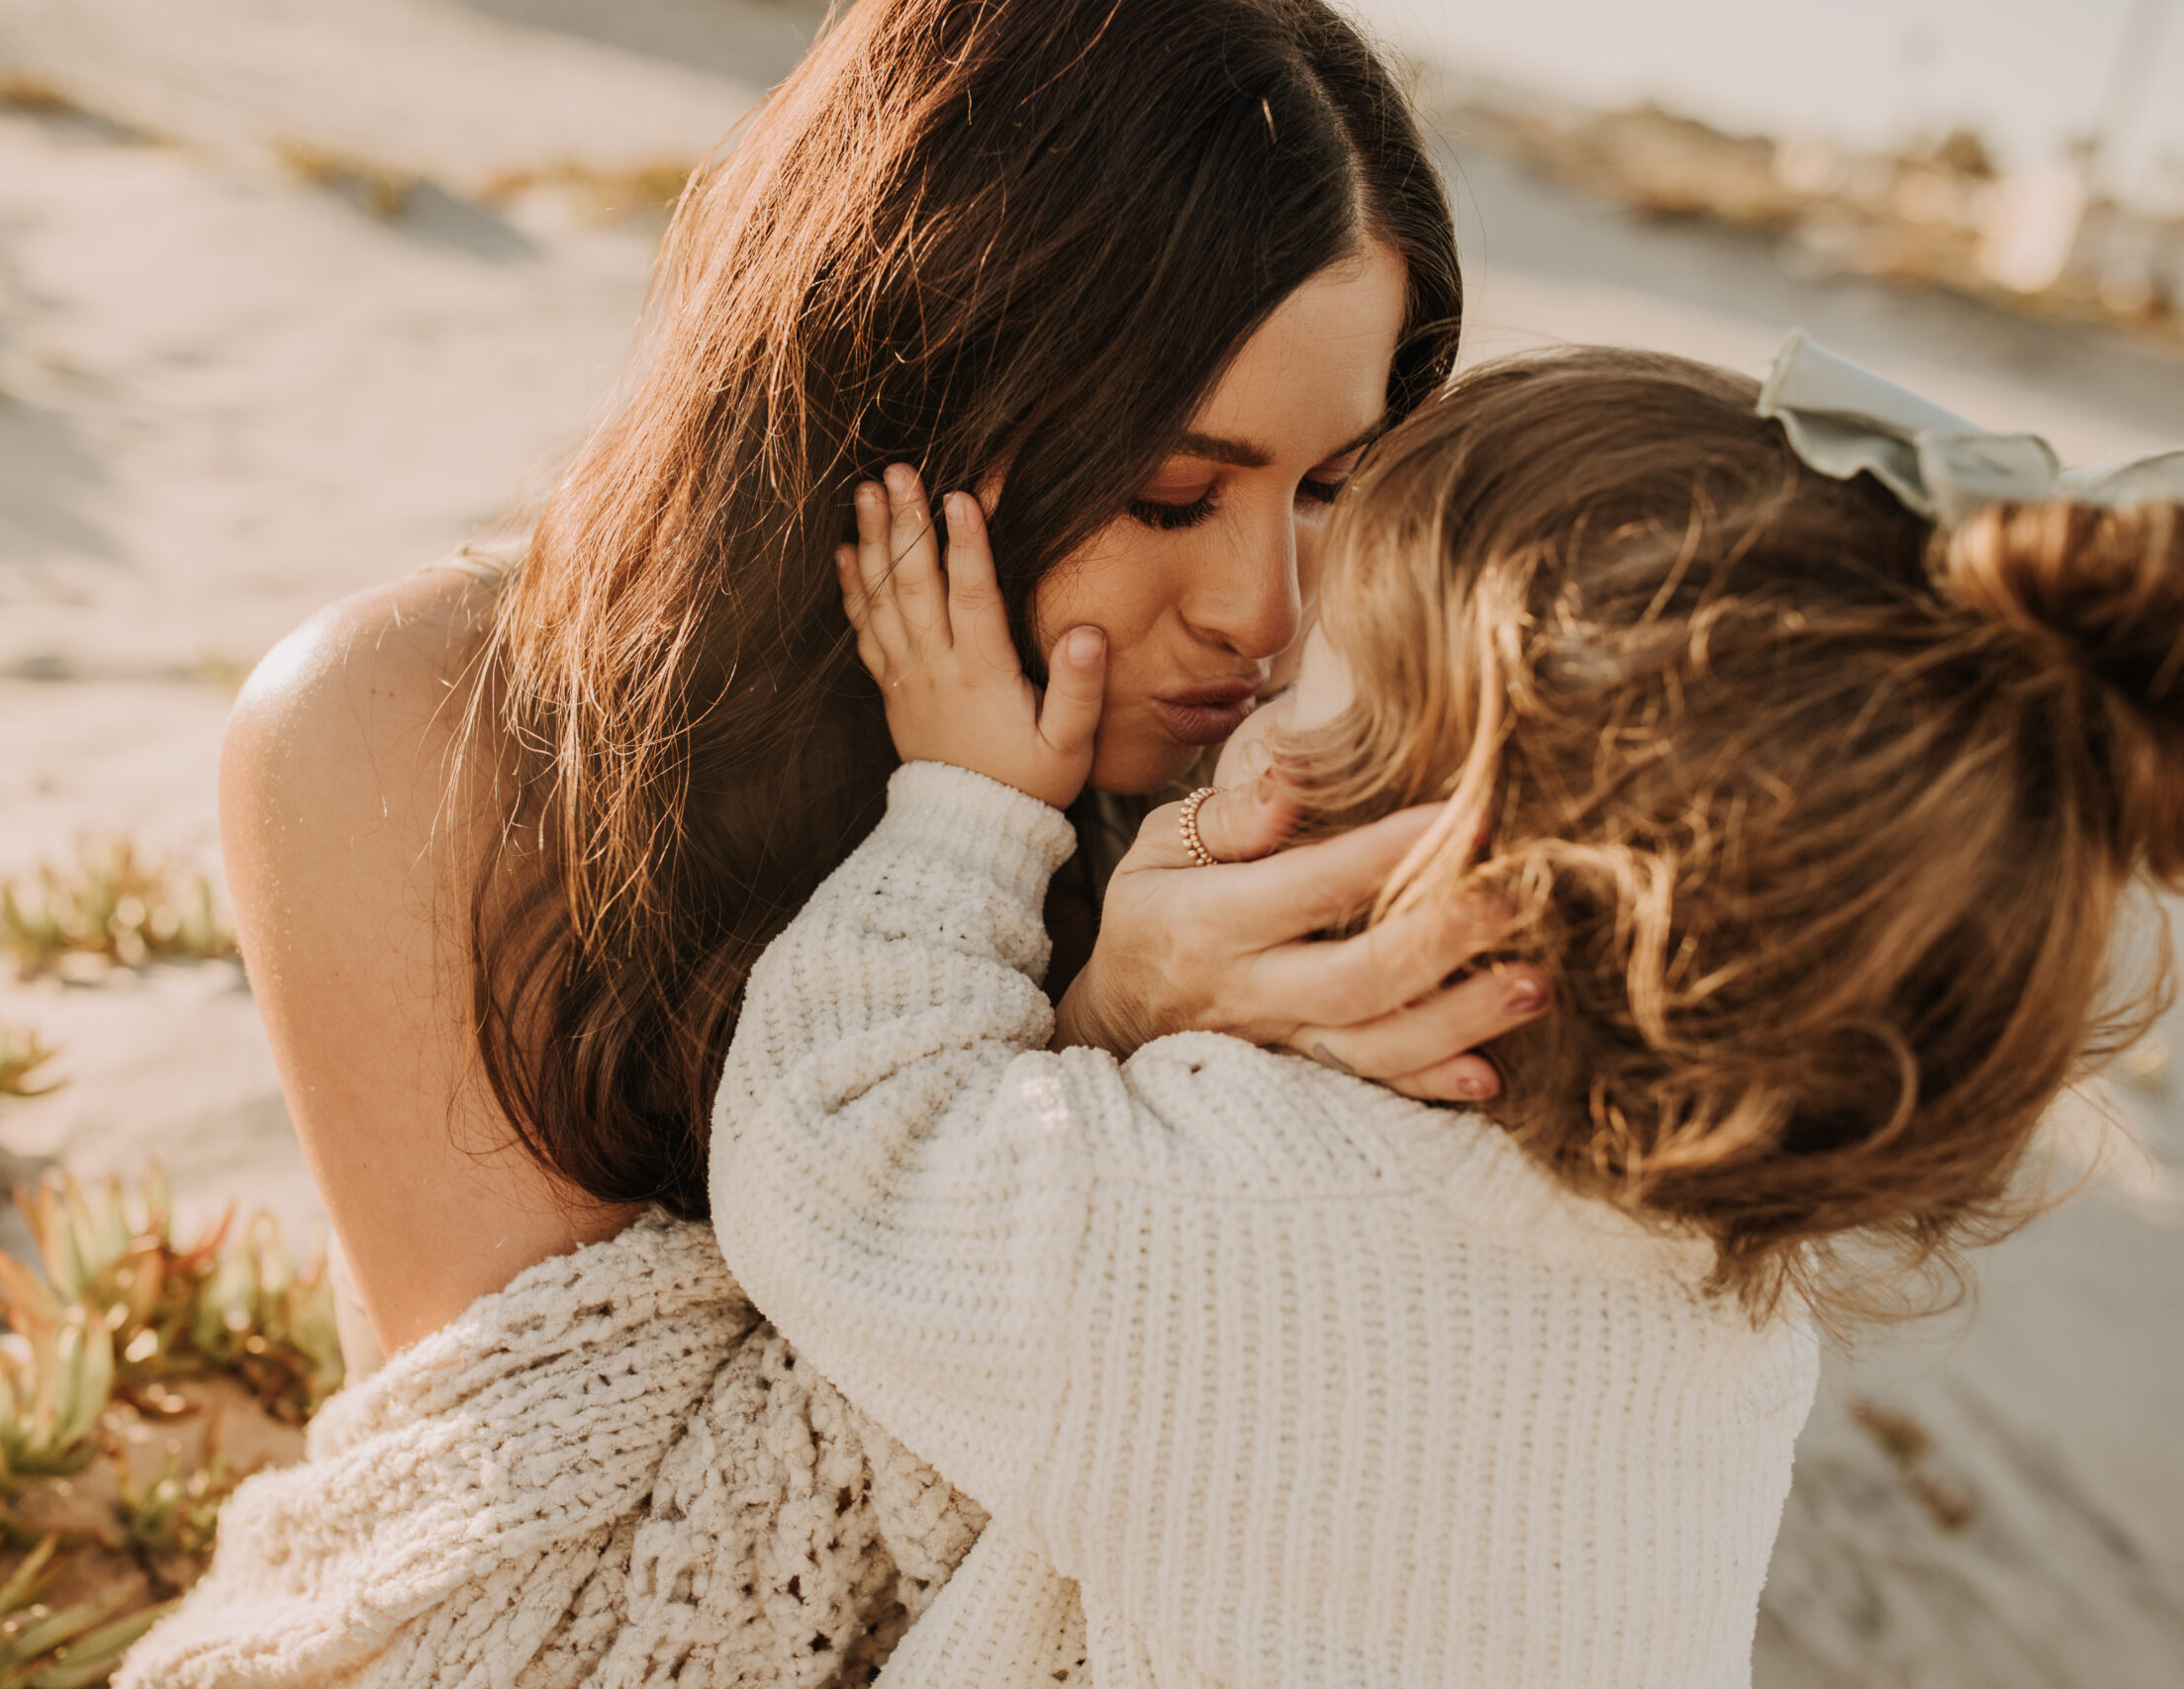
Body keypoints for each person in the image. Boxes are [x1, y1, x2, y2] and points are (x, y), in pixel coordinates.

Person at [124, 3, 1543, 1682]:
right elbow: (591, 1602)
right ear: (914, 390)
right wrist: (1110, 1045)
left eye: (1329, 489)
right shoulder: (417, 730)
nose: (1263, 616)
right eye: (1171, 493)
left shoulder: (1265, 794)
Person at [709, 340, 2184, 1686]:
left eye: (1315, 681)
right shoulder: (1724, 1321)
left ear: (1456, 881)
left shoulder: (1217, 1222)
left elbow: (824, 1144)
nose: (1261, 664)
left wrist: (971, 813)